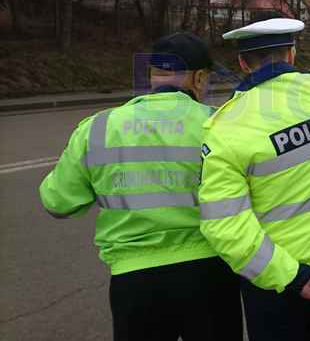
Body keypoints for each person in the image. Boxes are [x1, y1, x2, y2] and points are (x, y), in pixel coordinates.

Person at [39, 32, 243, 341]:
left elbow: (57, 203)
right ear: (200, 78)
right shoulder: (221, 124)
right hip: (210, 274)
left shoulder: (98, 127)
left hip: (133, 281)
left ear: (152, 75)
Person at [198, 18, 310, 341]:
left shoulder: (226, 128)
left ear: (243, 63)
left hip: (274, 277)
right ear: (292, 54)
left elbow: (225, 225)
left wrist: (294, 277)